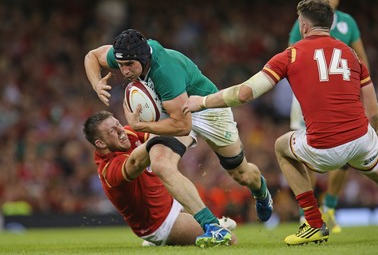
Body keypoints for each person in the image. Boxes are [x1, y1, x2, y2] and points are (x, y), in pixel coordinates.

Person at [182, 0, 378, 246]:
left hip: (324, 149)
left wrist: (203, 102)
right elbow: (373, 110)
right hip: (361, 139)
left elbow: (244, 93)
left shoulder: (291, 55)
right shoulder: (350, 53)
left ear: (304, 27)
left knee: (281, 146)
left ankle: (313, 222)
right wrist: (377, 129)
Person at [84, 28, 274, 242]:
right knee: (161, 164)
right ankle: (212, 226)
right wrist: (96, 82)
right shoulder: (127, 53)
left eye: (130, 65)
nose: (125, 71)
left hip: (208, 109)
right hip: (173, 110)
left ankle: (260, 190)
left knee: (241, 174)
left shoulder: (165, 73)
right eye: (121, 65)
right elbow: (92, 56)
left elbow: (183, 126)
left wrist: (141, 126)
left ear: (144, 57)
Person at [82, 107, 237, 247]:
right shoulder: (109, 170)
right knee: (230, 240)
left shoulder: (127, 134)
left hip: (170, 201)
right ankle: (163, 240)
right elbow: (137, 161)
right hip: (160, 223)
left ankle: (207, 225)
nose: (120, 130)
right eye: (112, 131)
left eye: (118, 124)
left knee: (180, 132)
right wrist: (168, 120)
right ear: (100, 143)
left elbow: (160, 136)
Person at [288, 0, 370, 233]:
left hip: (341, 96)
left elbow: (362, 60)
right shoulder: (301, 24)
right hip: (310, 98)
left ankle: (330, 208)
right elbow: (292, 57)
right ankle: (309, 214)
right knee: (305, 153)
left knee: (347, 153)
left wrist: (362, 90)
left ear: (338, 0)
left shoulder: (348, 23)